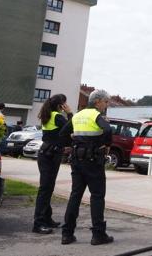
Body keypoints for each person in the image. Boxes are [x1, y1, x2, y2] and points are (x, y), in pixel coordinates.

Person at [59, 89, 113, 246]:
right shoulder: (96, 115)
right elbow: (108, 129)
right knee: (97, 196)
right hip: (93, 161)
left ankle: (67, 234)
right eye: (106, 102)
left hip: (77, 159)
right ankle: (98, 235)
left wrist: (73, 143)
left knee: (75, 195)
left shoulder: (78, 115)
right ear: (97, 102)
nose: (106, 105)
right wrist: (106, 144)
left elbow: (63, 133)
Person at [32, 94, 72, 235]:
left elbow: (57, 135)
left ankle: (47, 218)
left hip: (46, 153)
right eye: (64, 104)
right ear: (61, 105)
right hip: (50, 155)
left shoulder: (48, 114)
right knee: (45, 189)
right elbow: (71, 128)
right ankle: (38, 223)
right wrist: (70, 113)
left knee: (47, 187)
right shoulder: (57, 116)